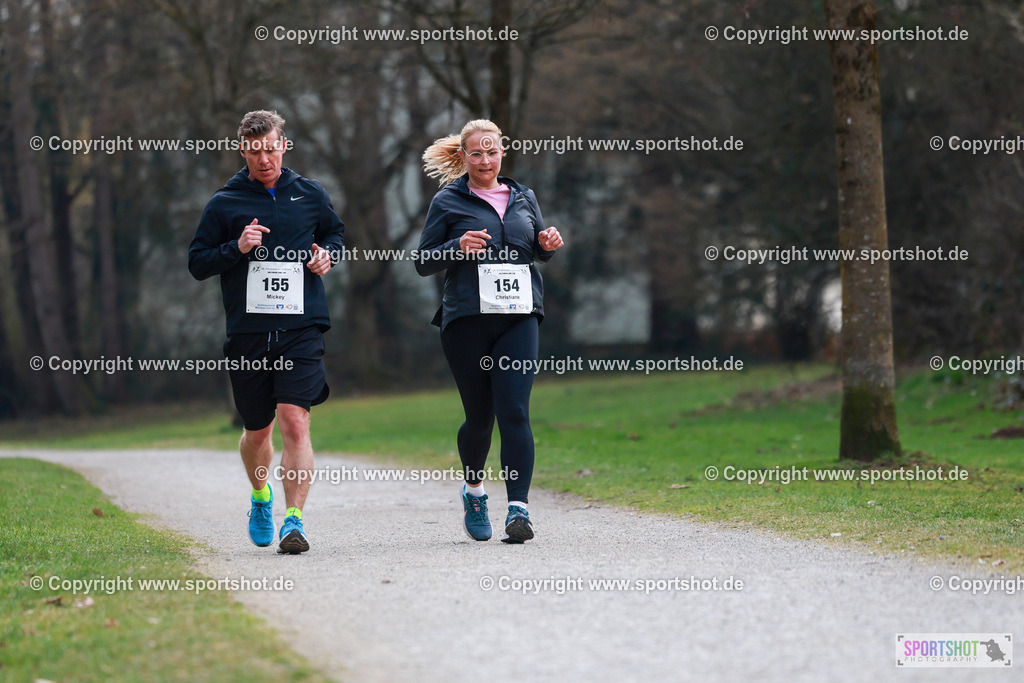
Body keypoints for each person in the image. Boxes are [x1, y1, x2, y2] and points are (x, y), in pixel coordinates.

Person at [188, 110, 344, 554]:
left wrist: (327, 255)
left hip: (301, 327)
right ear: (243, 150)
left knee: (295, 420)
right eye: (255, 151)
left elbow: (334, 235)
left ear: (284, 146)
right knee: (257, 431)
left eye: (271, 149)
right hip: (249, 333)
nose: (264, 159)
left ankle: (294, 521)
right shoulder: (225, 202)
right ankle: (260, 496)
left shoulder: (310, 193)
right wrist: (235, 247)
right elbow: (198, 262)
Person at [416, 119, 564, 543]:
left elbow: (533, 248)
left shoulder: (524, 196)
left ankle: (519, 510)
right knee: (481, 418)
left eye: (492, 151)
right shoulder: (447, 200)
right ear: (463, 156)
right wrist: (456, 247)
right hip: (467, 321)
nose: (485, 160)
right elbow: (423, 261)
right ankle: (475, 490)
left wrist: (546, 245)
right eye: (477, 153)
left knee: (514, 411)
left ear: (503, 152)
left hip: (519, 316)